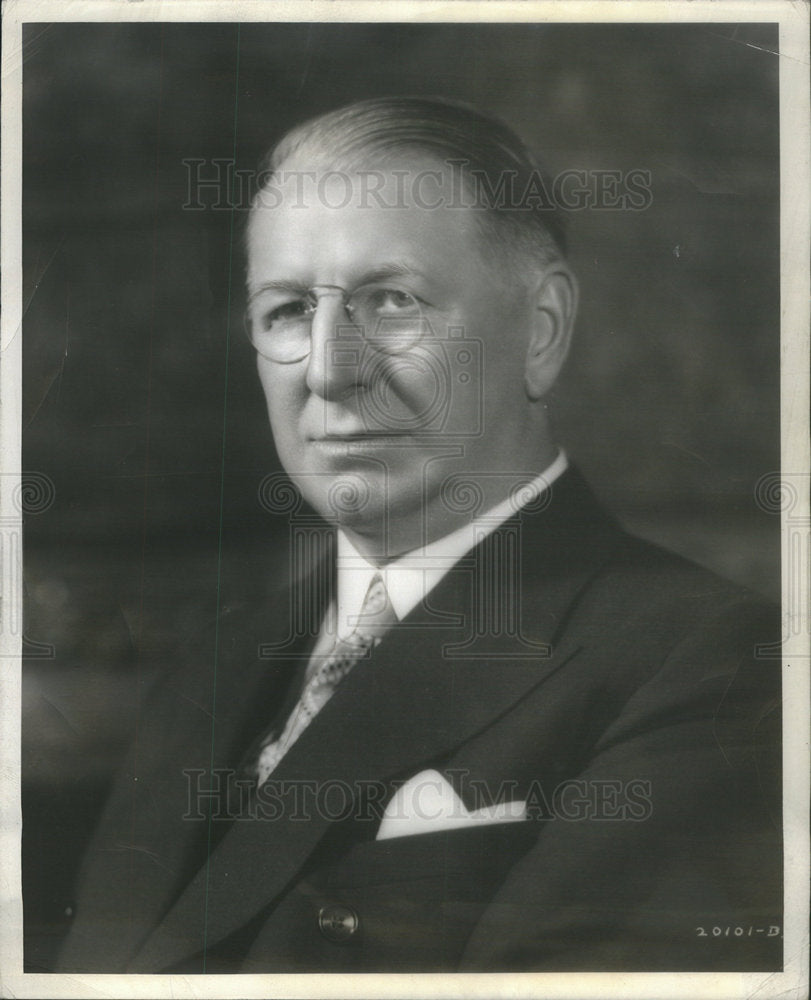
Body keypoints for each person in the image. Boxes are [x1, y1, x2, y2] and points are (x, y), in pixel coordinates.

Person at [56, 97, 782, 974]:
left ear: (541, 330)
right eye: (287, 309)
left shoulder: (708, 667)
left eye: (392, 300)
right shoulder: (214, 668)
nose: (329, 369)